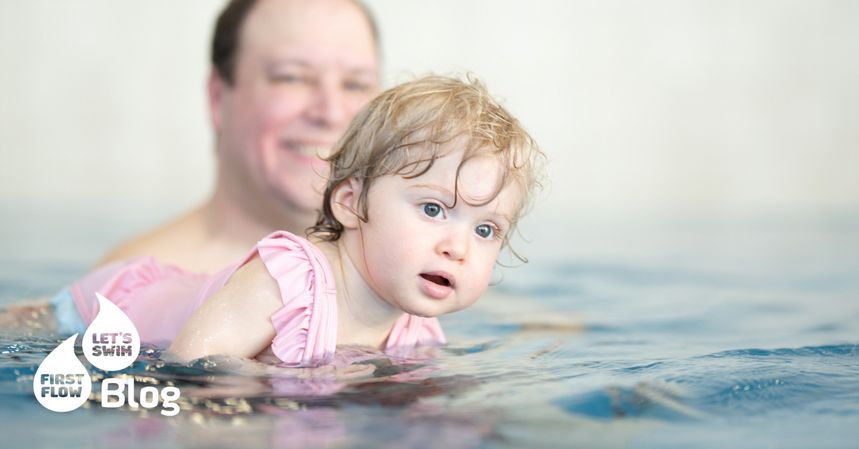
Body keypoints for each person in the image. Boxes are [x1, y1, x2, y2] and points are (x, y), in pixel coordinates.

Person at [71, 75, 546, 366]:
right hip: (107, 309)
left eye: (486, 230)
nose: (458, 247)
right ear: (348, 203)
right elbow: (189, 365)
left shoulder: (416, 332)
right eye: (432, 209)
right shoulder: (288, 282)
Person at [103, 0, 381, 273]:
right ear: (217, 97)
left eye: (355, 84)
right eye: (292, 78)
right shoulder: (127, 291)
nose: (330, 112)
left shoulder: (410, 284)